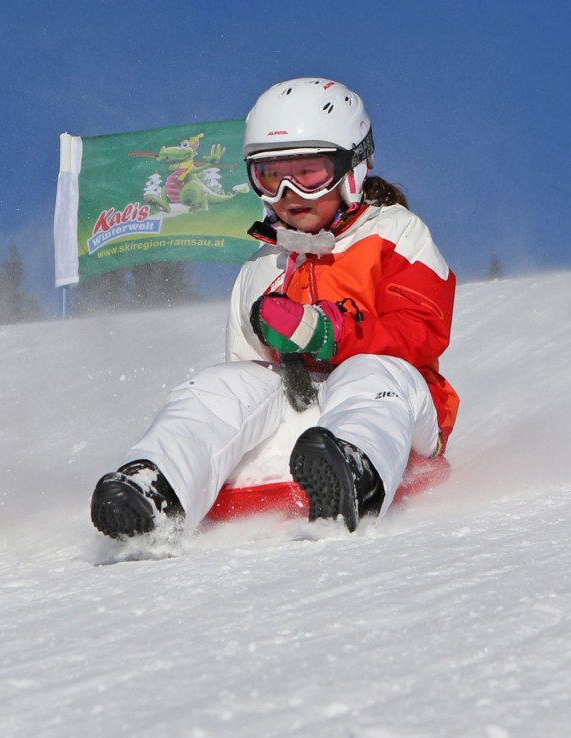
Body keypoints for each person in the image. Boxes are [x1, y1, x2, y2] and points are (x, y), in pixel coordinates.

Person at [90, 77, 459, 537]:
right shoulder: (262, 266)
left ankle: (357, 475)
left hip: (400, 406)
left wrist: (329, 333)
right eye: (269, 175)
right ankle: (155, 489)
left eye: (308, 174)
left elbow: (421, 331)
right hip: (302, 417)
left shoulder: (396, 234)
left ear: (352, 168)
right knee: (218, 385)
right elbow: (246, 377)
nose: (288, 192)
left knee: (370, 372)